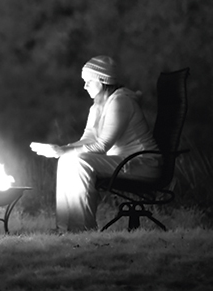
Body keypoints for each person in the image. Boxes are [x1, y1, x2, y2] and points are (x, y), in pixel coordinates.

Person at [30, 55, 160, 232]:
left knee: (79, 161)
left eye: (88, 82)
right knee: (67, 160)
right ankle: (63, 228)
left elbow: (101, 146)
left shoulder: (121, 101)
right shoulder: (98, 106)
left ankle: (81, 229)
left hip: (142, 164)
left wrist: (63, 151)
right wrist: (61, 150)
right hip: (123, 162)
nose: (84, 86)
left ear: (103, 80)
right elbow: (88, 140)